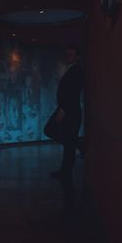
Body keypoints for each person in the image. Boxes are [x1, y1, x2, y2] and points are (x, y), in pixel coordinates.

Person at [44, 45, 84, 180]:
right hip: (67, 109)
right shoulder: (71, 69)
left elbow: (72, 92)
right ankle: (77, 145)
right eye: (67, 54)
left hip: (68, 110)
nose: (68, 57)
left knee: (52, 131)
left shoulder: (77, 71)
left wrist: (63, 109)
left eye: (71, 54)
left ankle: (65, 172)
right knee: (63, 138)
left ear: (77, 57)